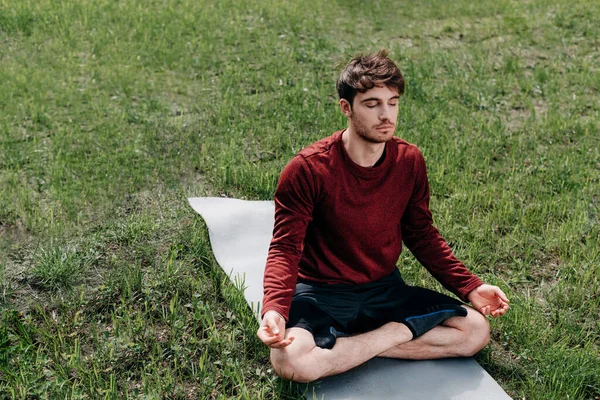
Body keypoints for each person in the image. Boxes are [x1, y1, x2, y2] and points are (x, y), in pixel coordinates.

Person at [257, 49, 510, 383]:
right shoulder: (307, 170)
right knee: (291, 363)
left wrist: (471, 287)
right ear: (346, 108)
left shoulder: (409, 161)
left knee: (475, 331)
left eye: (393, 102)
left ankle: (355, 343)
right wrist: (274, 308)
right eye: (372, 104)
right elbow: (285, 248)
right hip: (321, 292)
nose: (386, 115)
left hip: (383, 290)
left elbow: (421, 234)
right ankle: (397, 333)